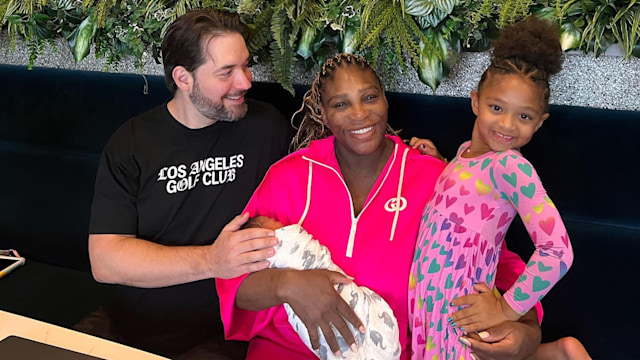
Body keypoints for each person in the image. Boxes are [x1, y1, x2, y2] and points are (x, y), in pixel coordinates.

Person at [216, 53, 543, 360]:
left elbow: (495, 264)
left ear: (386, 100)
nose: (359, 114)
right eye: (341, 104)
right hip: (286, 351)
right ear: (324, 113)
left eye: (370, 97)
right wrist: (285, 284)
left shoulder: (436, 180)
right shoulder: (287, 177)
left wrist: (527, 334)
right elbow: (235, 281)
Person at [78, 9, 292, 359]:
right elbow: (106, 260)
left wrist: (411, 149)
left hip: (225, 332)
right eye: (227, 72)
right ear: (183, 77)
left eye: (245, 65)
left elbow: (329, 164)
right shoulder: (132, 142)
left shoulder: (266, 126)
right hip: (125, 324)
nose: (246, 82)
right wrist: (212, 260)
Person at [408, 17, 574, 360]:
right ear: (475, 102)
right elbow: (468, 204)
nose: (507, 125)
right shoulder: (463, 156)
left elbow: (558, 251)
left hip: (460, 314)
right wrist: (440, 163)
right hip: (430, 310)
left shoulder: (511, 167)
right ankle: (554, 353)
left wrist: (507, 309)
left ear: (540, 122)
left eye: (523, 117)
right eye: (496, 108)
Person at [243, 215, 401, 360]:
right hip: (279, 348)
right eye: (280, 227)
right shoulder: (276, 191)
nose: (283, 226)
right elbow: (234, 281)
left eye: (282, 227)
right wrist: (287, 283)